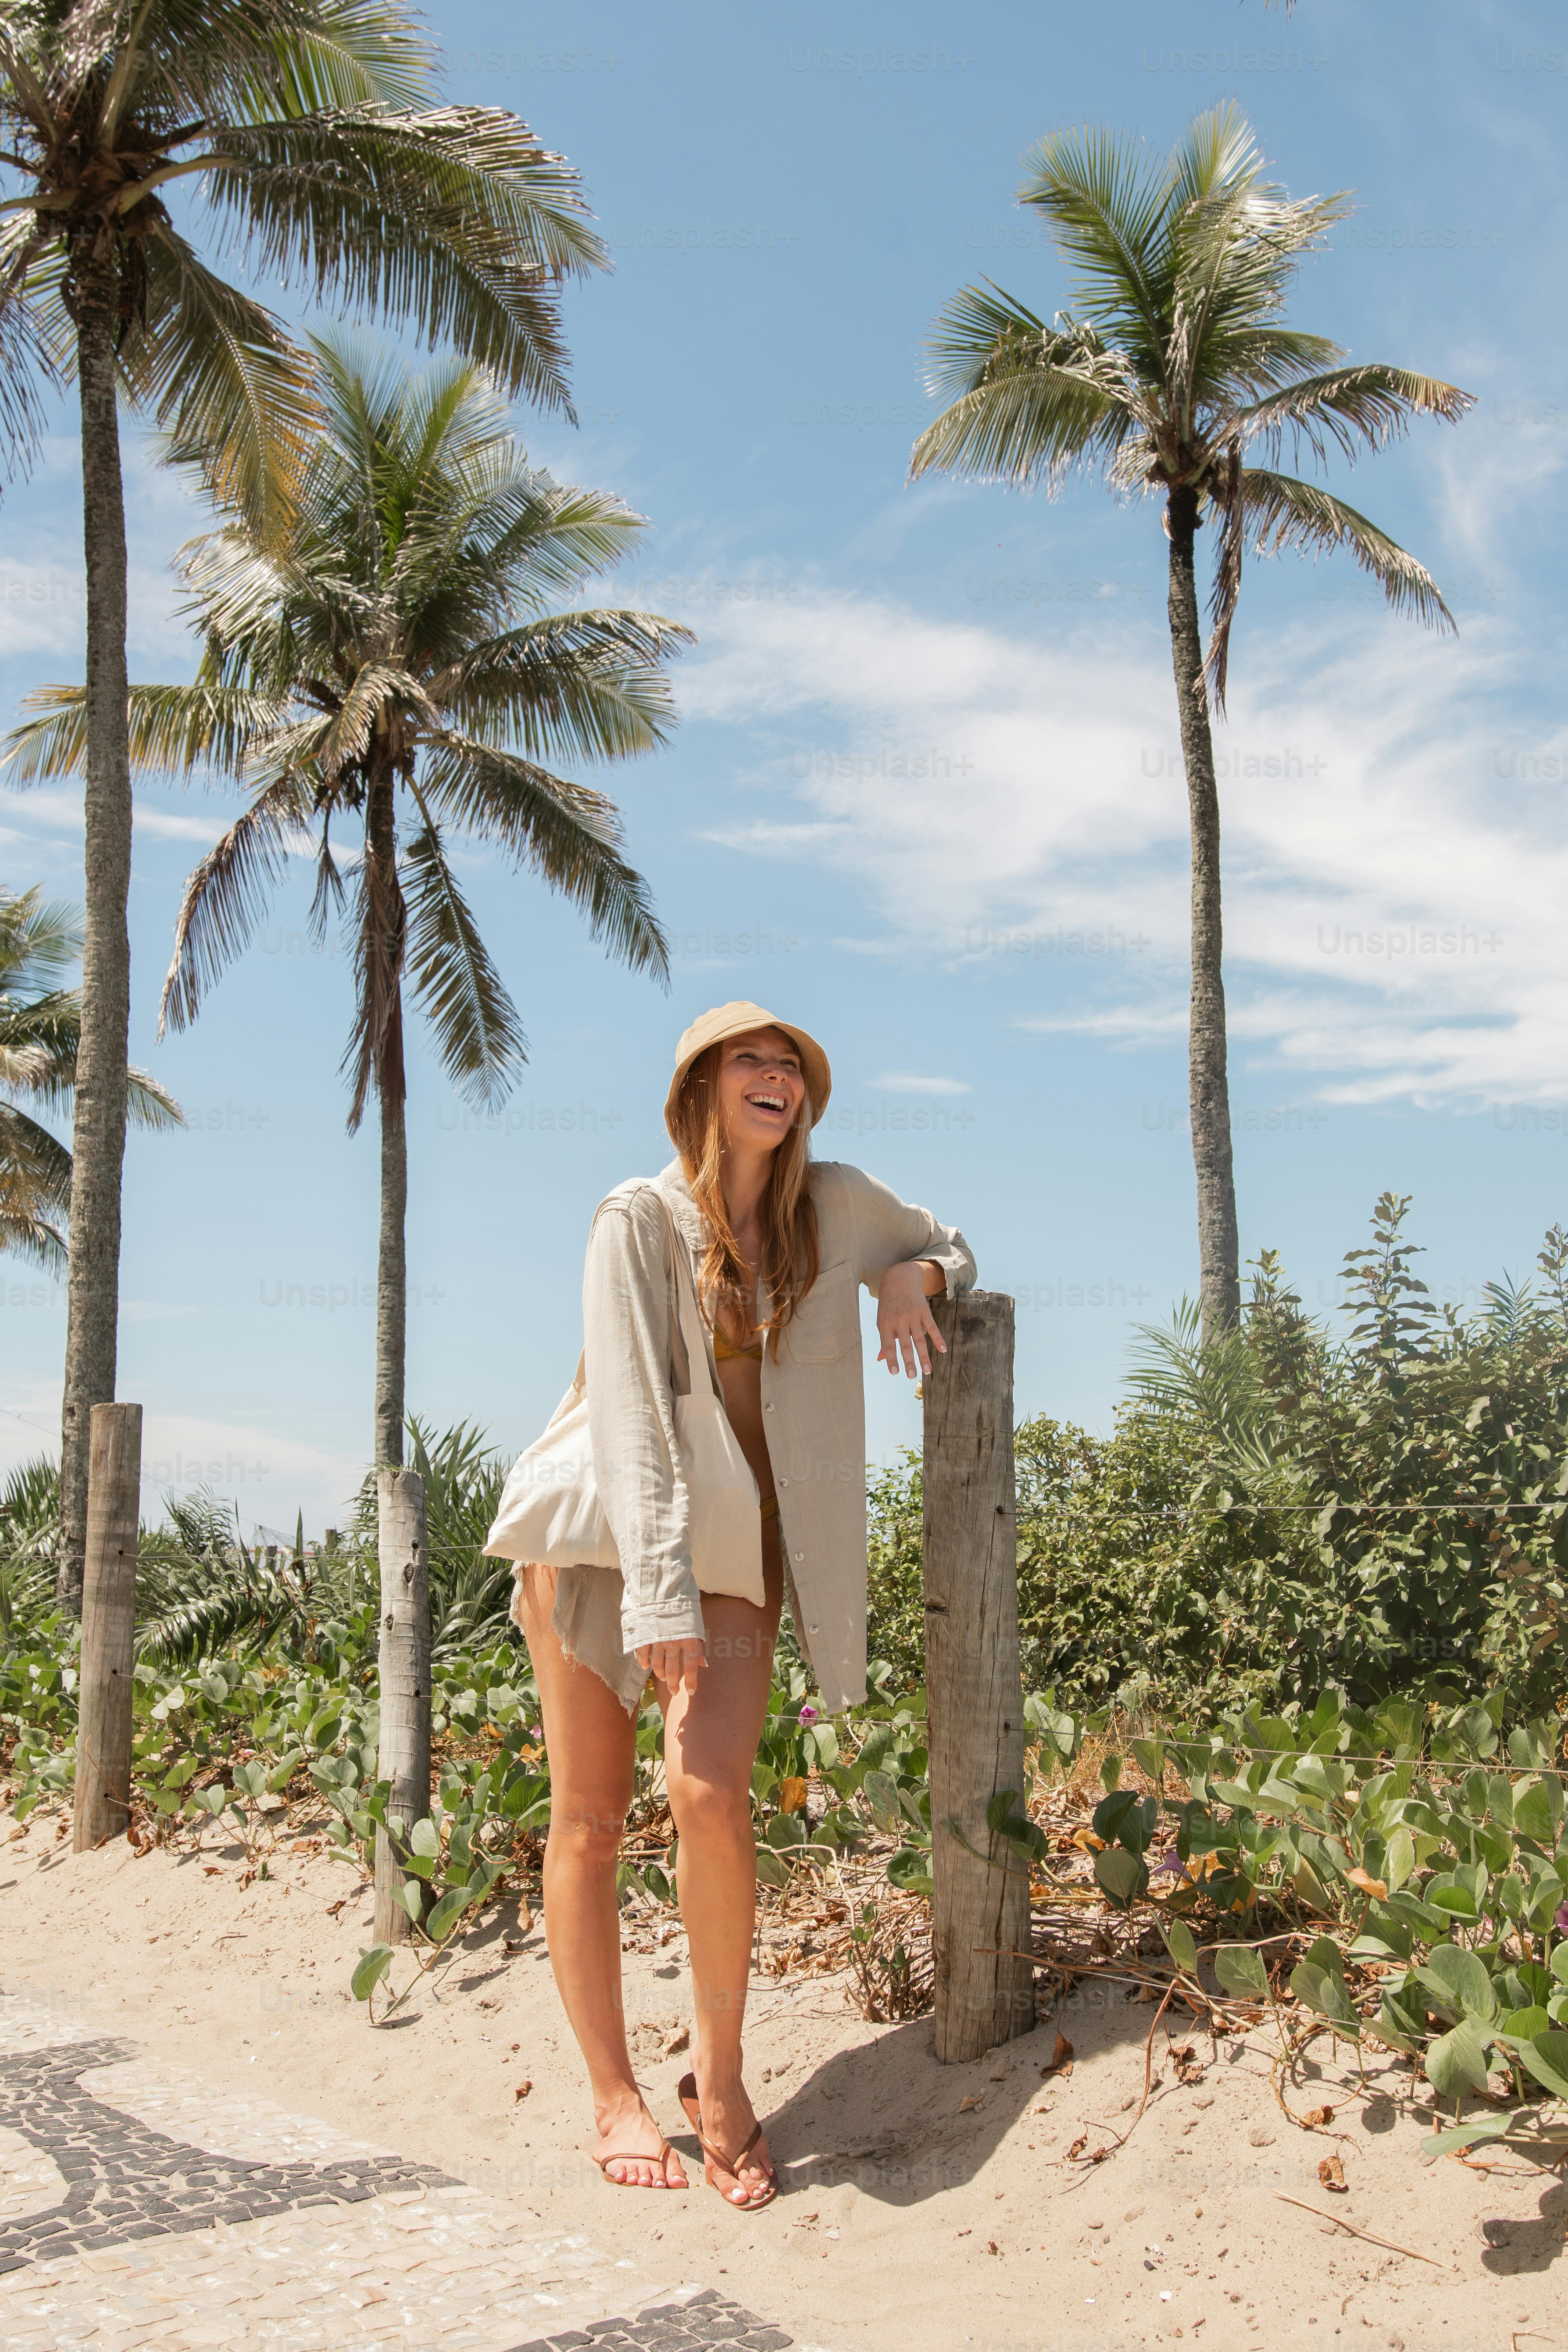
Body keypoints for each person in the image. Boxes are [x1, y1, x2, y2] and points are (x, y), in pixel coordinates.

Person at [511, 1001, 975, 2209]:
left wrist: (908, 1279)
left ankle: (717, 2079)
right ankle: (614, 2090)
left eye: (792, 1066)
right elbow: (623, 1411)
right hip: (606, 1543)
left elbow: (954, 1243)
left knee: (710, 1795)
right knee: (591, 1818)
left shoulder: (838, 1204)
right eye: (749, 1063)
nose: (775, 1079)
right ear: (701, 1089)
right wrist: (656, 1589)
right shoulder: (637, 1220)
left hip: (738, 1556)